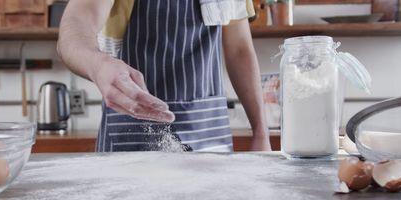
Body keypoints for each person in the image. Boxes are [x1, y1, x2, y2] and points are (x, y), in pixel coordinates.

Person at [58, 0, 271, 152]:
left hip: (209, 134)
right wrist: (98, 64)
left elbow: (240, 50)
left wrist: (261, 133)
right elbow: (76, 24)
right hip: (131, 138)